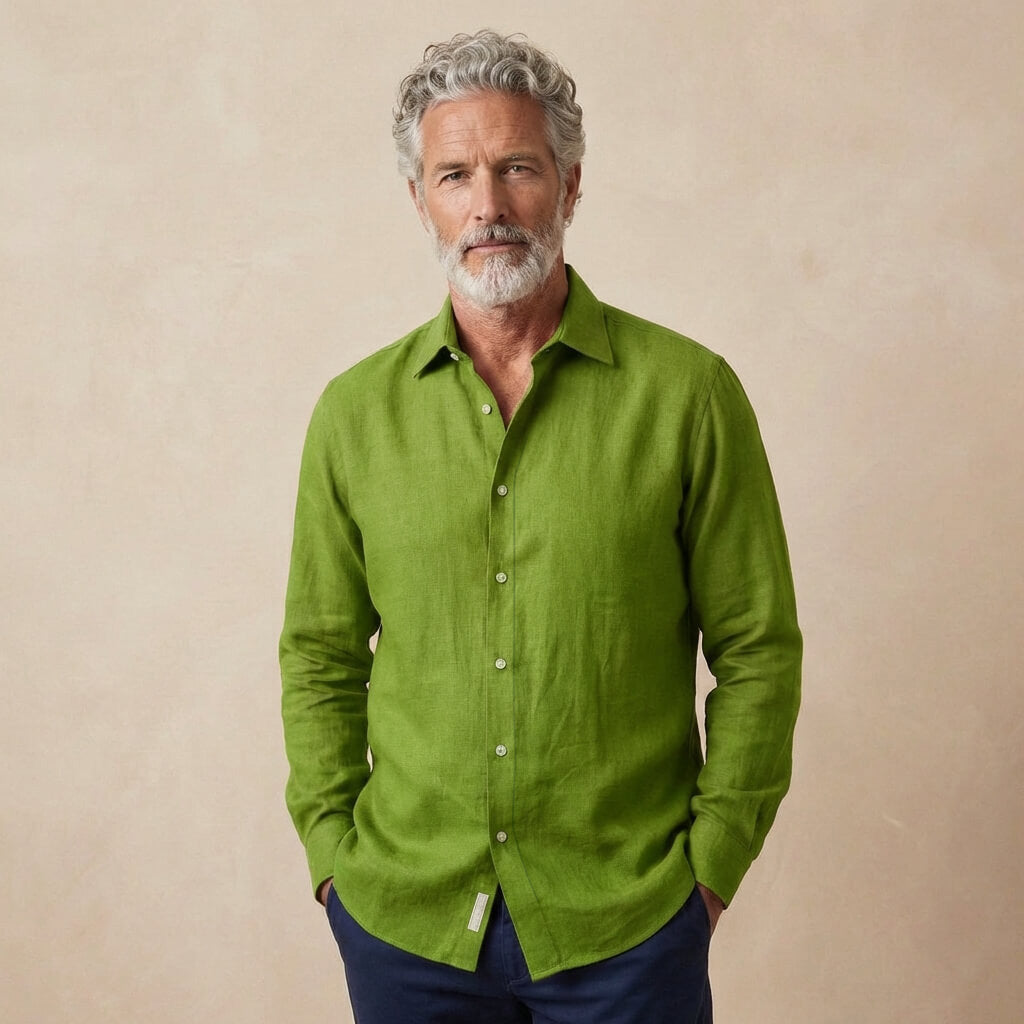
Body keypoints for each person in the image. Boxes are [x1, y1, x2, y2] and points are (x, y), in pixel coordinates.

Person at [280, 29, 801, 1024]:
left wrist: (711, 866)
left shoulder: (687, 396)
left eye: (517, 167)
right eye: (454, 175)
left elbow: (757, 649)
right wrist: (333, 861)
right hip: (406, 924)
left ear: (567, 185)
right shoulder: (353, 415)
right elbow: (317, 655)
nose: (487, 206)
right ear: (418, 200)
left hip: (630, 924)